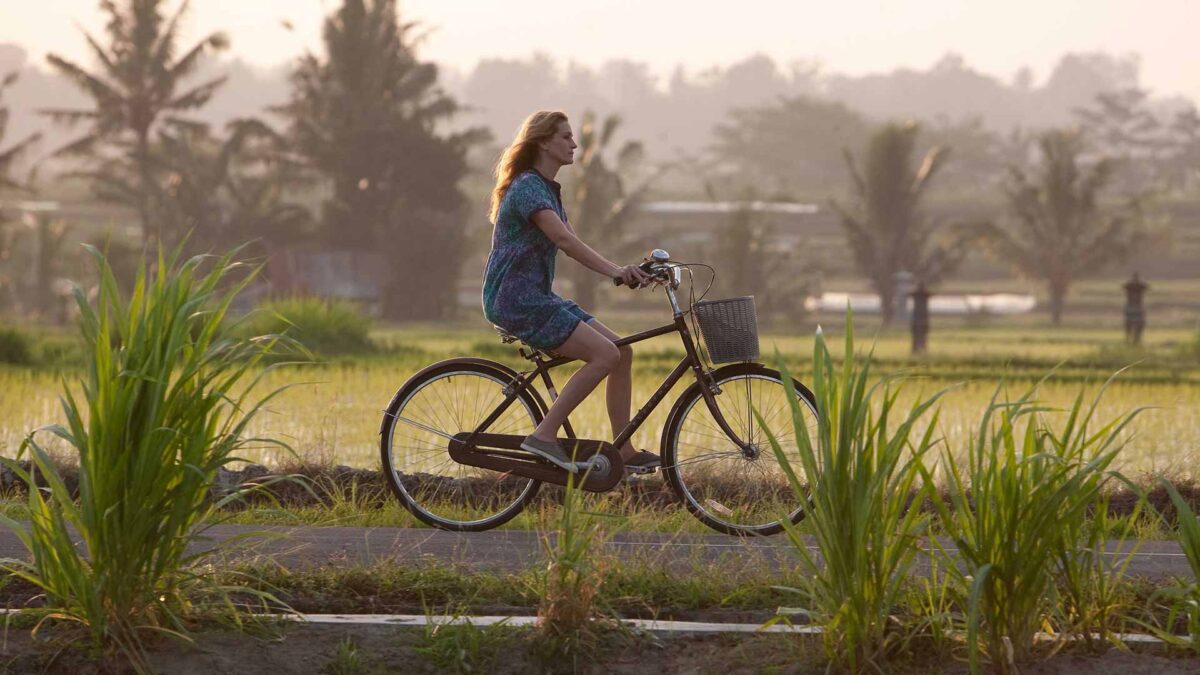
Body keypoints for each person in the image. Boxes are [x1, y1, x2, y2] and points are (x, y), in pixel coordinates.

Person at [483, 110, 660, 474]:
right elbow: (563, 240)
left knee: (622, 352)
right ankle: (544, 435)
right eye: (565, 137)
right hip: (517, 300)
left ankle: (622, 451)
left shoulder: (547, 189)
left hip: (537, 297)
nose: (574, 143)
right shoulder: (528, 186)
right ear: (543, 141)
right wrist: (614, 272)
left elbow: (574, 240)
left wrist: (630, 270)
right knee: (605, 355)